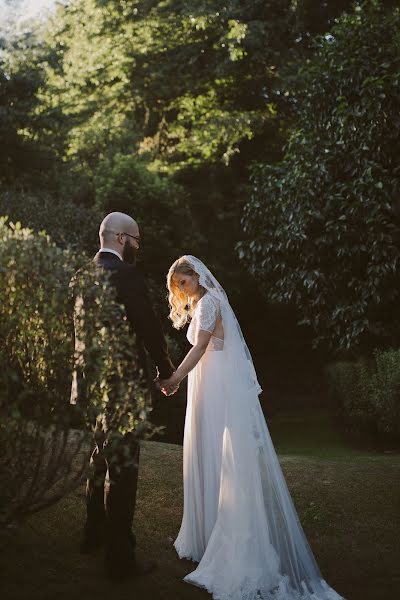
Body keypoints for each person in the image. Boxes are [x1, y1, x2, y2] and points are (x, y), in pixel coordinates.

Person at [159, 255, 346, 600]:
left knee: (217, 452)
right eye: (177, 288)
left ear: (196, 275)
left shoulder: (211, 302)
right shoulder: (203, 302)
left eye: (183, 283)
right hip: (208, 383)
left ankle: (223, 534)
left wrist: (174, 378)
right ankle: (206, 531)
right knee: (206, 451)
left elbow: (201, 347)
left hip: (214, 388)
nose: (182, 291)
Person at [71, 211, 176, 582]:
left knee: (99, 456)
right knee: (124, 469)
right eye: (135, 240)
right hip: (121, 388)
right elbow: (147, 326)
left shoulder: (83, 275)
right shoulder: (127, 275)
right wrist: (166, 370)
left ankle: (92, 534)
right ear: (120, 239)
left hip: (91, 386)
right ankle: (119, 560)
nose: (137, 247)